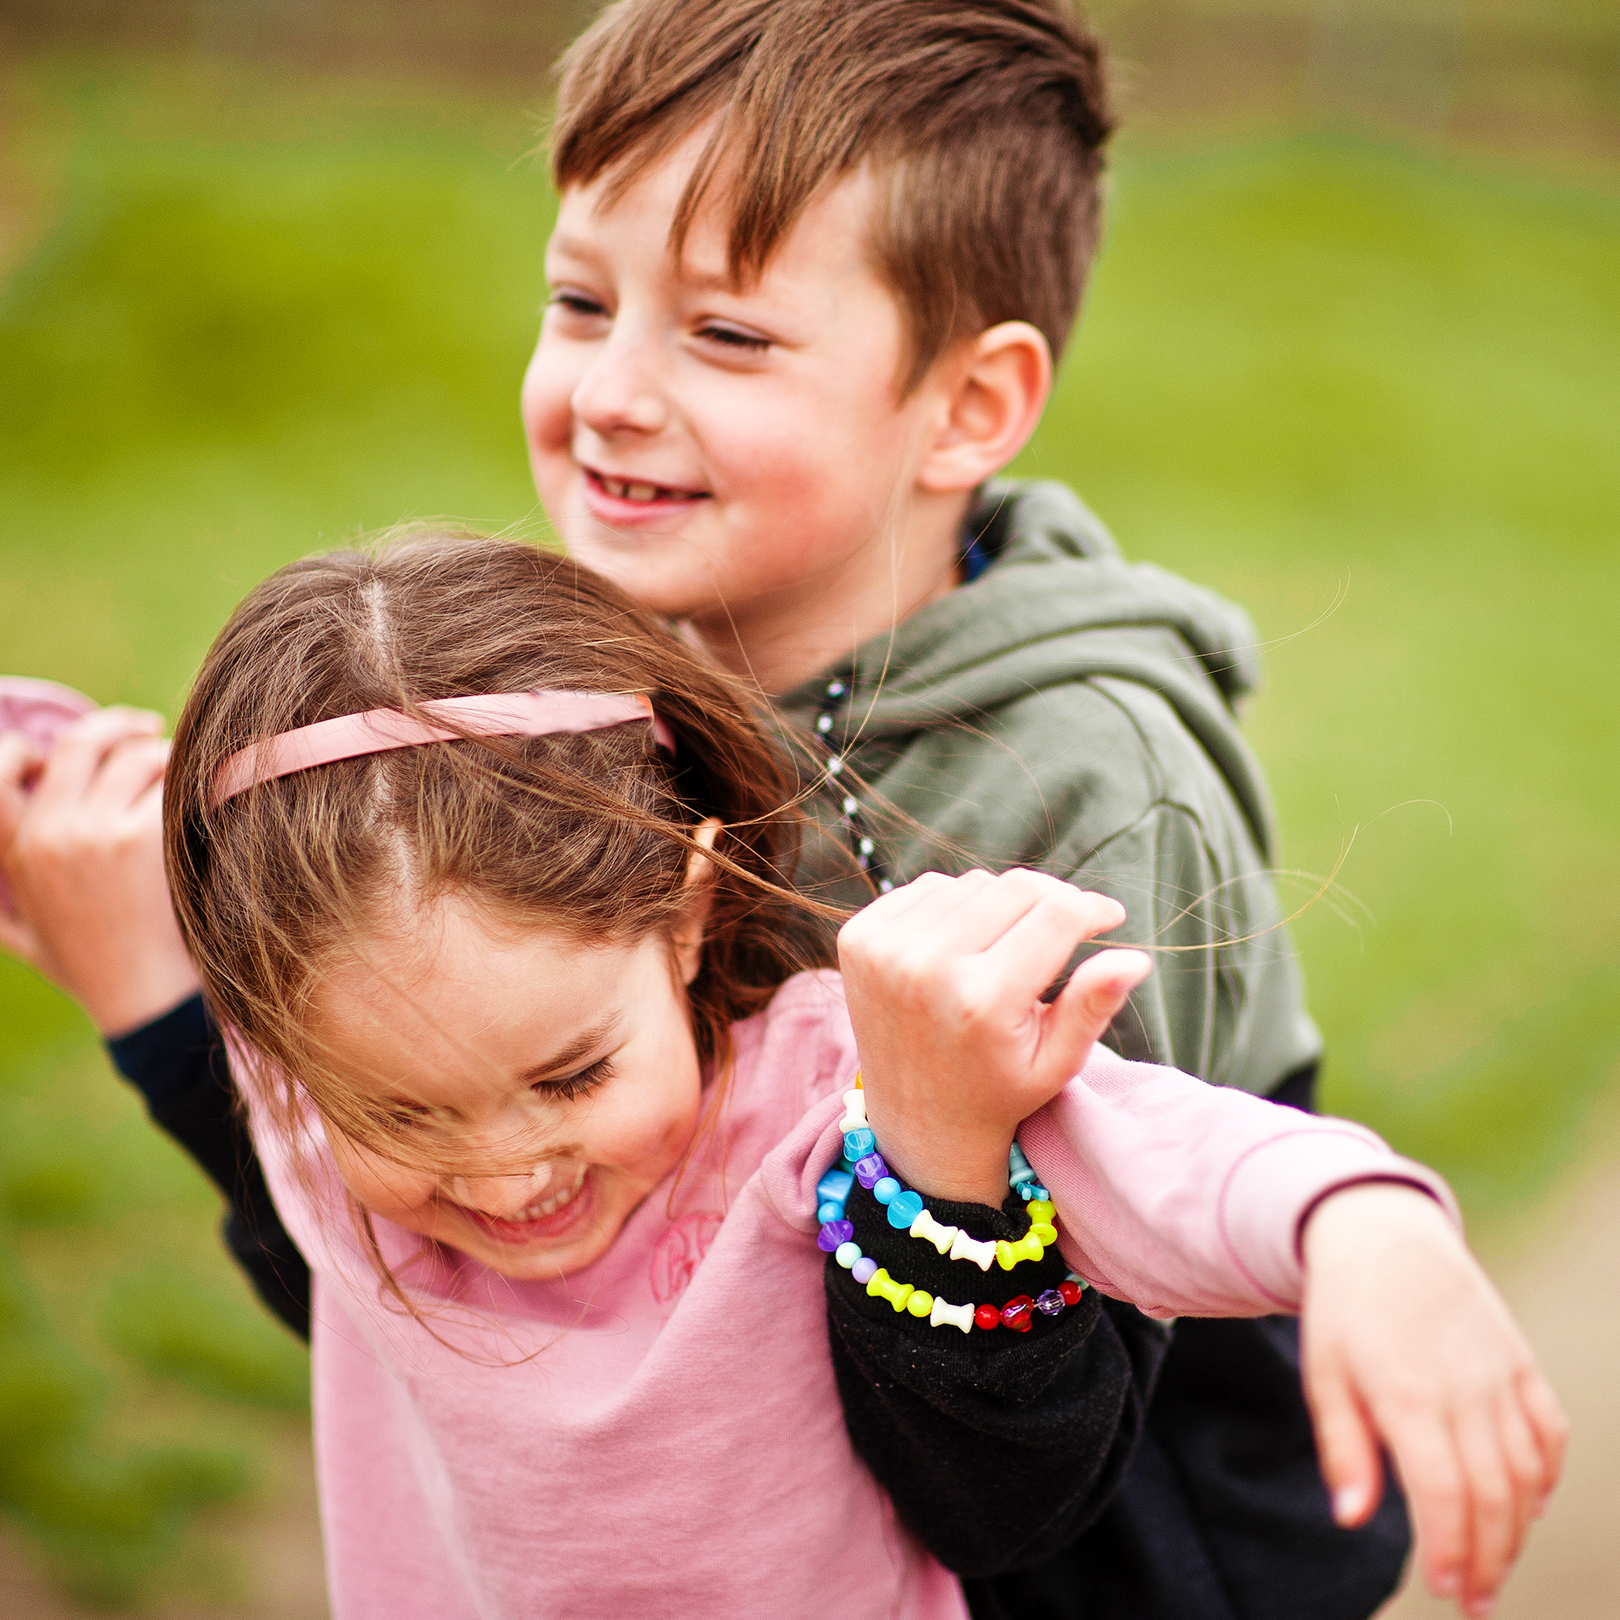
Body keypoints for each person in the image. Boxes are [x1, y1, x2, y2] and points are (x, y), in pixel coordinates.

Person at [0, 2, 1568, 1615]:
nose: (613, 392)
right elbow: (496, 1344)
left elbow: (1016, 1476)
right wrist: (163, 995)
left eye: (728, 336)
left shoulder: (1080, 791)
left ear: (969, 404)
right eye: (580, 301)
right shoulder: (586, 700)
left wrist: (1339, 1218)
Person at [141, 532, 1546, 1619]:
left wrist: (1357, 1220)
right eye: (406, 1114)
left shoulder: (835, 1089)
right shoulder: (311, 1078)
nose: (507, 1176)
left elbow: (1162, 1151)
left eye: (570, 1078)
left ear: (687, 909)